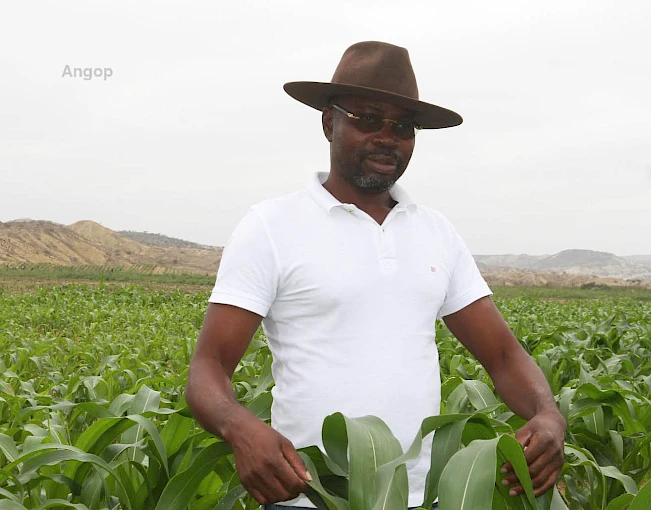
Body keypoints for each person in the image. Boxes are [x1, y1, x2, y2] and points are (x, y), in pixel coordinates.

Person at [185, 41, 566, 509]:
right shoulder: (271, 227)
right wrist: (240, 427)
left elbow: (504, 356)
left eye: (402, 126)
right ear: (329, 122)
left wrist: (548, 416)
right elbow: (209, 367)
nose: (387, 137)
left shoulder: (436, 233)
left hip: (421, 497)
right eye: (367, 119)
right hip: (309, 495)